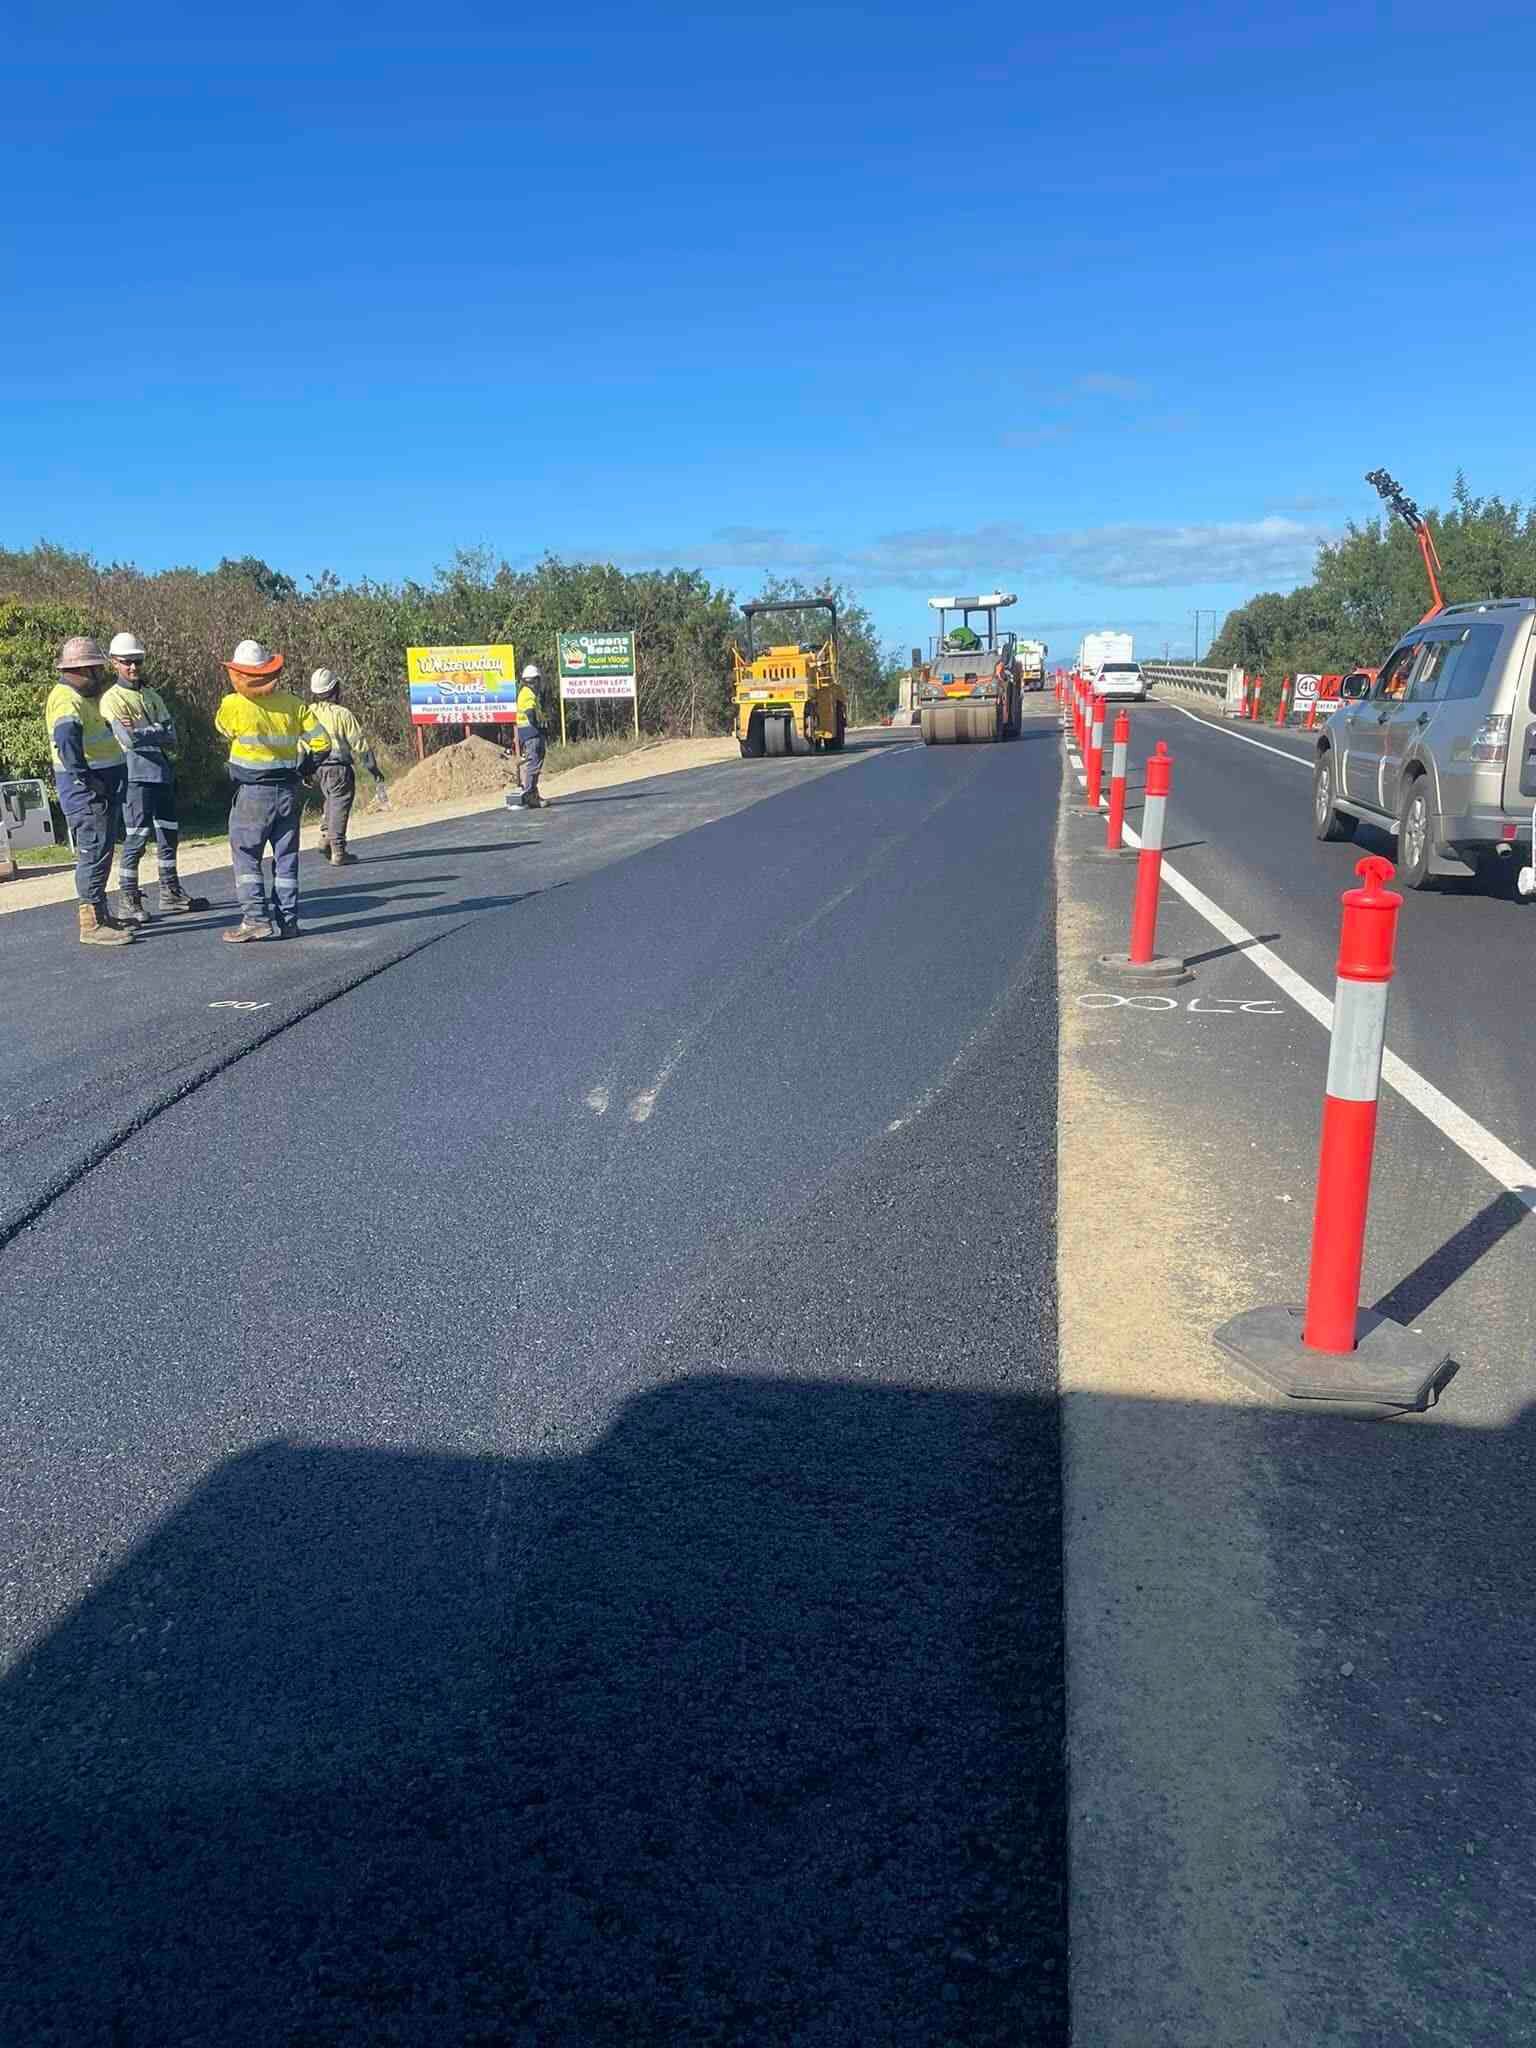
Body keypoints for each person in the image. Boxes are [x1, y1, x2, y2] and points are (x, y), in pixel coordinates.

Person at [214, 639, 330, 941]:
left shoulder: (233, 704)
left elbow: (223, 729)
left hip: (253, 793)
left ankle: (255, 919)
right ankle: (288, 921)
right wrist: (304, 769)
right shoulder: (294, 705)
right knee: (286, 858)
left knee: (246, 854)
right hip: (288, 791)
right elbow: (322, 744)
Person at [100, 630, 209, 924]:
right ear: (114, 663)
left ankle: (170, 892)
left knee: (169, 835)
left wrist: (142, 730)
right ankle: (128, 899)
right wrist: (155, 730)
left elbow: (171, 736)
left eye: (137, 661)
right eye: (127, 662)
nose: (133, 667)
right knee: (137, 838)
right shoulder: (111, 699)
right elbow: (128, 740)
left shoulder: (151, 695)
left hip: (160, 773)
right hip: (134, 776)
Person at [45, 636, 134, 948]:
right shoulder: (66, 700)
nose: (100, 676)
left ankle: (101, 914)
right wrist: (90, 781)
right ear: (83, 670)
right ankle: (91, 924)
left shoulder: (83, 698)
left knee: (101, 851)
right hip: (86, 792)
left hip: (99, 788)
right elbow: (67, 745)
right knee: (93, 853)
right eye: (96, 670)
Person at [307, 668, 388, 865]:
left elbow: (301, 743)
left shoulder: (308, 712)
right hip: (338, 768)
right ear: (335, 689)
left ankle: (326, 836)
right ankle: (338, 850)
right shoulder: (342, 714)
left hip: (317, 768)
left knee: (331, 801)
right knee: (340, 803)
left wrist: (305, 771)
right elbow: (360, 745)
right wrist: (374, 770)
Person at [509, 661, 549, 810]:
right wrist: (539, 728)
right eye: (538, 680)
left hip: (528, 731)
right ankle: (530, 795)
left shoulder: (526, 693)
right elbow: (530, 713)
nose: (539, 684)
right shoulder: (527, 694)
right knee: (534, 763)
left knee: (535, 761)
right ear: (534, 680)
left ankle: (532, 793)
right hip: (531, 732)